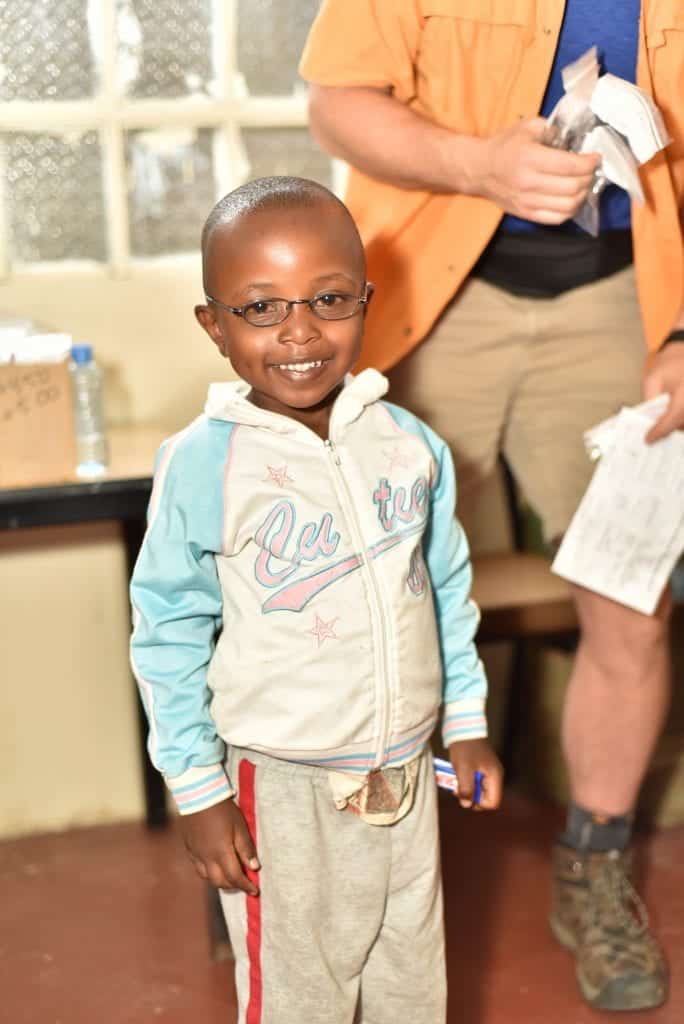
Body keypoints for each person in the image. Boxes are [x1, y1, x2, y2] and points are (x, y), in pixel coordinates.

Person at [299, 0, 684, 1013]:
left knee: (629, 593)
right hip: (432, 282)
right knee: (354, 603)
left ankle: (594, 866)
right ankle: (335, 879)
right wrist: (478, 166)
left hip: (626, 295)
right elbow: (335, 102)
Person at [129, 175, 503, 1023]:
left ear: (366, 301)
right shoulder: (203, 464)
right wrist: (198, 788)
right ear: (214, 325)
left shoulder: (410, 446)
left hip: (404, 775)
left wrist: (469, 722)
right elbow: (167, 633)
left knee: (411, 988)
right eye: (262, 309)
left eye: (328, 299)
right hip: (281, 787)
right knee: (301, 1000)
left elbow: (445, 588)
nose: (300, 332)